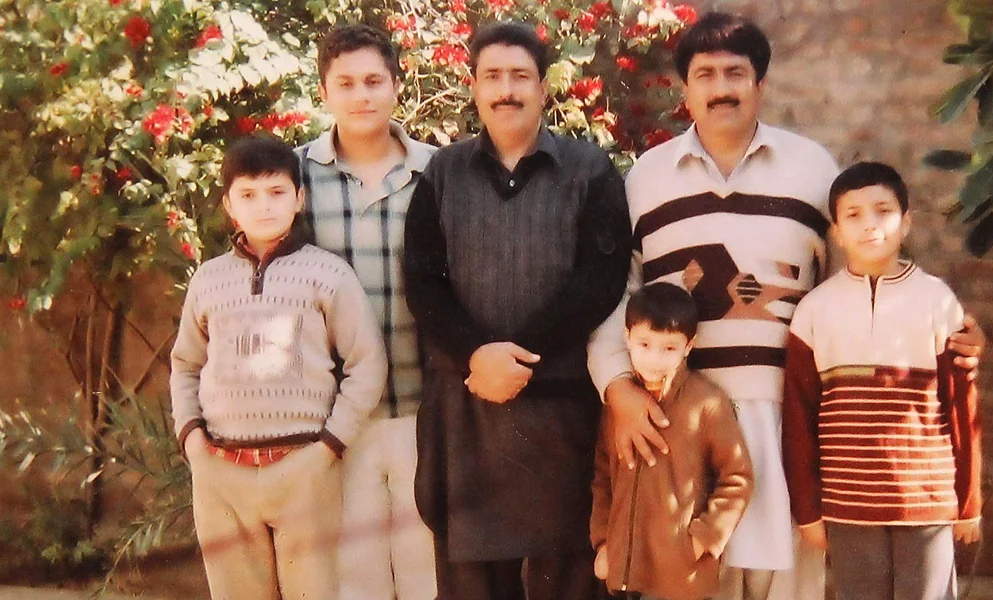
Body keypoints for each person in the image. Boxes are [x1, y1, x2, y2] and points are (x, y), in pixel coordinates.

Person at [586, 12, 986, 600]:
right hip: (682, 426)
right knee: (692, 580)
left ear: (760, 83)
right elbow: (615, 295)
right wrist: (618, 387)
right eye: (705, 75)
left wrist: (950, 335)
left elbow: (859, 278)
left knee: (791, 587)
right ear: (684, 89)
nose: (721, 88)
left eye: (735, 73)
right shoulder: (646, 179)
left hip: (786, 422)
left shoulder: (811, 170)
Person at [403, 20, 633, 600]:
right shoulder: (442, 173)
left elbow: (600, 281)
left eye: (520, 76)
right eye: (492, 76)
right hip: (467, 409)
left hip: (562, 413)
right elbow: (423, 283)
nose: (506, 90)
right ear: (474, 86)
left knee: (571, 579)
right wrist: (477, 356)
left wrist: (520, 357)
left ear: (543, 87)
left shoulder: (589, 170)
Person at [169, 135, 386, 600]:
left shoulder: (327, 274)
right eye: (247, 195)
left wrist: (328, 447)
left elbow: (367, 364)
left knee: (315, 591)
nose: (263, 206)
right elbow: (185, 364)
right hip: (221, 472)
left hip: (304, 467)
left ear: (299, 198)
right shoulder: (209, 280)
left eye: (276, 192)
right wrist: (192, 440)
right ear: (229, 205)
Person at [781, 162, 981, 600]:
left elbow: (962, 406)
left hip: (925, 501)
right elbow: (798, 416)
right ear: (836, 232)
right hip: (847, 504)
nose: (869, 224)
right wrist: (808, 510)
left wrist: (968, 500)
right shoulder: (815, 310)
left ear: (906, 222)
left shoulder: (937, 301)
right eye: (853, 215)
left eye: (883, 211)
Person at [295, 23, 438, 600]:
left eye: (374, 81)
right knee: (355, 581)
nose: (361, 95)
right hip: (336, 419)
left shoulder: (440, 172)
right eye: (346, 83)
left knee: (428, 574)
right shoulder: (293, 177)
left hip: (426, 407)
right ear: (324, 91)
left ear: (397, 86)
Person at [591, 282, 754, 600]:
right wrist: (603, 541)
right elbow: (603, 476)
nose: (654, 359)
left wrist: (703, 537)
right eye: (644, 344)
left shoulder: (707, 403)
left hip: (682, 576)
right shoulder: (618, 407)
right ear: (627, 338)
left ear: (688, 346)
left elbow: (738, 477)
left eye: (669, 348)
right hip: (627, 571)